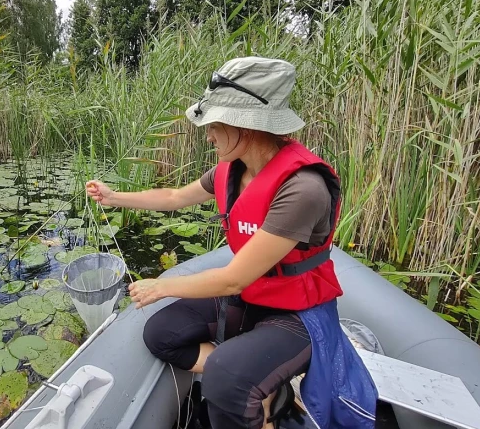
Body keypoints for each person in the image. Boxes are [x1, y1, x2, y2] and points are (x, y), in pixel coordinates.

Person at [86, 57, 378, 429]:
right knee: (161, 334)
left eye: (215, 124)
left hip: (298, 313)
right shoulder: (231, 168)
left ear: (247, 124)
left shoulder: (303, 188)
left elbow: (233, 280)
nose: (208, 135)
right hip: (255, 296)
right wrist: (115, 197)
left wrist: (161, 286)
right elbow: (175, 197)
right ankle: (268, 386)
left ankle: (255, 395)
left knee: (226, 376)